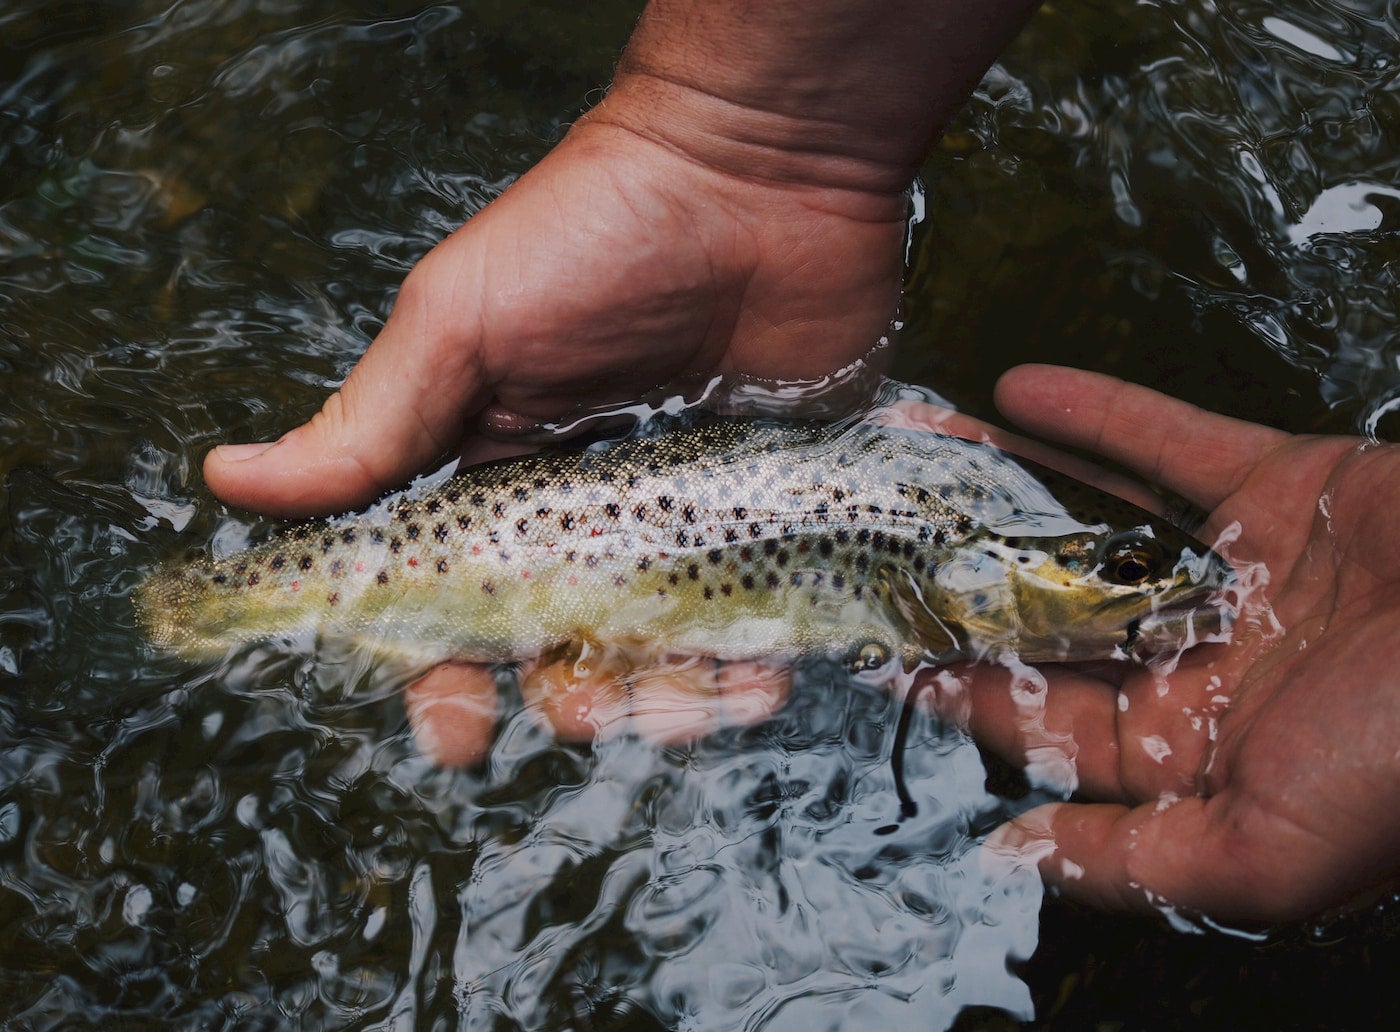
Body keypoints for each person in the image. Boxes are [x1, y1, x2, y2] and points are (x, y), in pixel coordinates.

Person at [200, 0, 1399, 923]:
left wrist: (736, 137)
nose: (1169, 587)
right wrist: (729, 145)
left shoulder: (952, 551)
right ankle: (212, 616)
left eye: (1132, 574)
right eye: (1127, 569)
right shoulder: (956, 547)